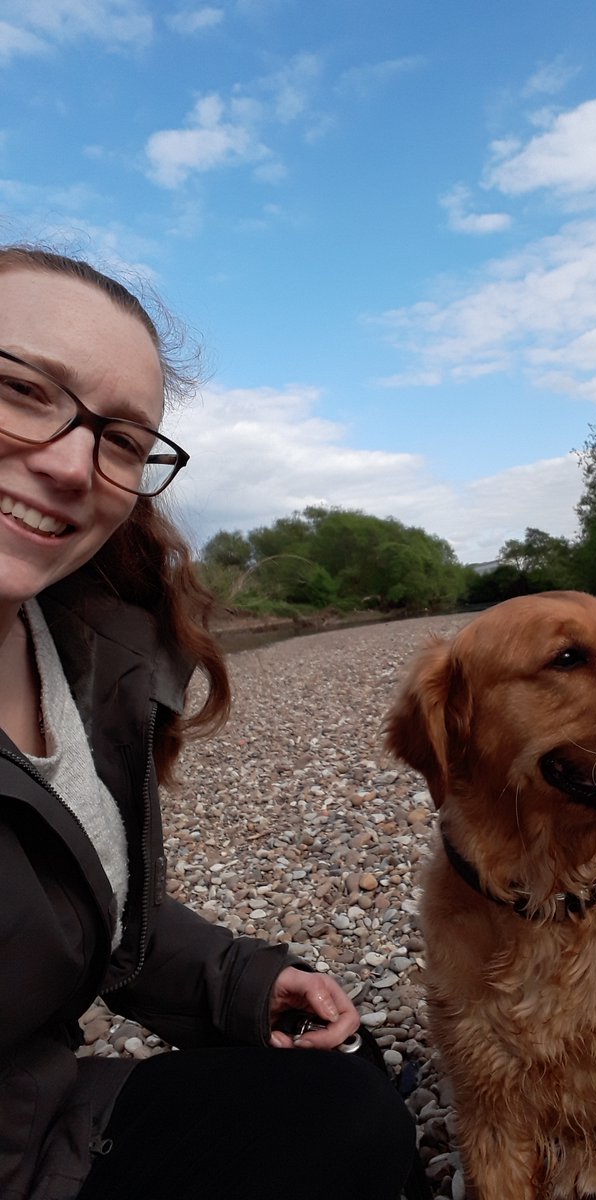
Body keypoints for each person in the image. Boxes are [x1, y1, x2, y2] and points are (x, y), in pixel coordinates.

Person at [0, 246, 416, 1200]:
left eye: (123, 441)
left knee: (347, 1085)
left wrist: (236, 979)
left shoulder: (79, 646)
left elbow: (66, 908)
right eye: (22, 389)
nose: (72, 464)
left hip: (37, 1121)